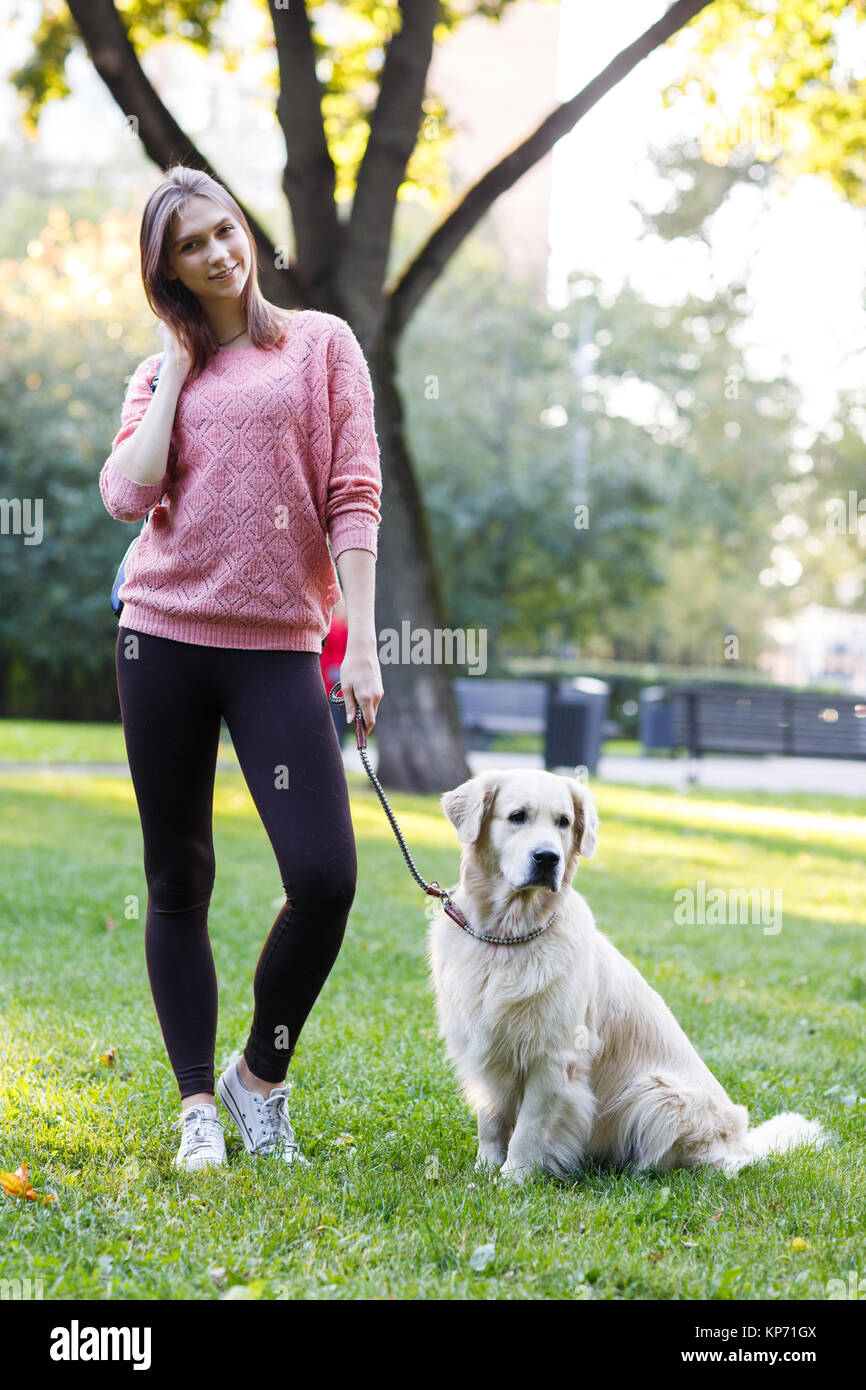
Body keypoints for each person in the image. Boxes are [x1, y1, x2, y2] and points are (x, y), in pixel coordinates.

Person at [99, 165, 383, 1171]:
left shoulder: (318, 345)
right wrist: (177, 366)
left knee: (324, 875)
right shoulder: (154, 372)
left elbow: (353, 492)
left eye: (224, 231)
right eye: (191, 246)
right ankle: (193, 1108)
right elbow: (126, 499)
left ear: (243, 232)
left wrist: (364, 641)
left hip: (279, 648)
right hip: (162, 638)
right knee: (178, 875)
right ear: (167, 269)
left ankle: (258, 1077)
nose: (218, 252)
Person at [321, 595, 350, 746]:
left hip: (345, 678)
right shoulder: (332, 628)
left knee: (342, 715)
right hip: (330, 678)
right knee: (333, 714)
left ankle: (339, 744)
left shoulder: (348, 629)